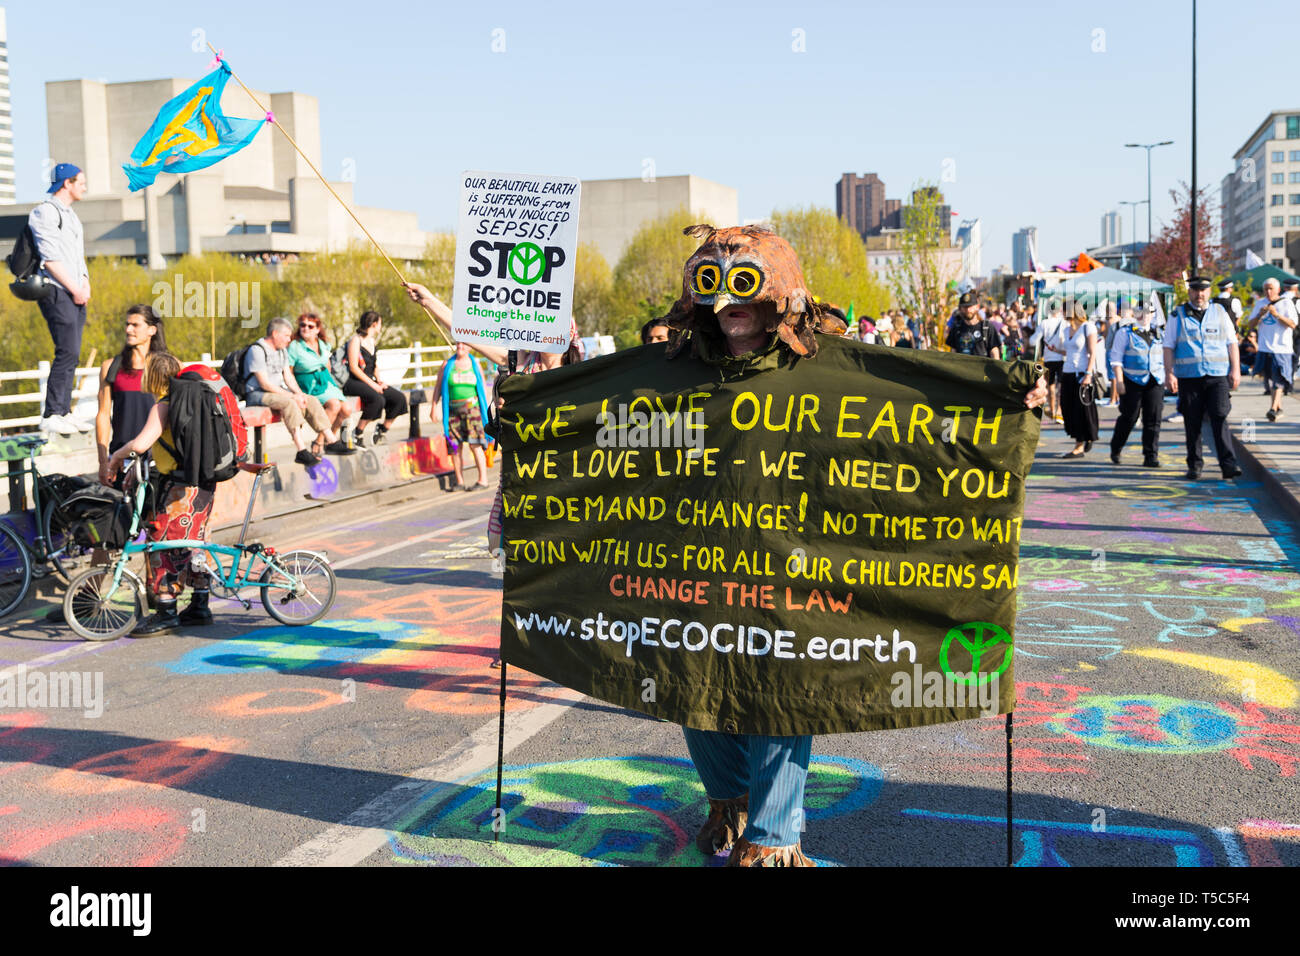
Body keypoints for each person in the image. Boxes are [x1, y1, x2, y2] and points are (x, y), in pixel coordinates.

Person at [633, 224, 1047, 866]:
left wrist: (1004, 398)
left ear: (779, 291)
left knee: (779, 692)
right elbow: (595, 419)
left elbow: (911, 410)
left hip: (791, 565)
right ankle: (729, 798)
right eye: (710, 284)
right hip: (699, 566)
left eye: (742, 284)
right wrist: (528, 413)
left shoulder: (825, 368)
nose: (725, 303)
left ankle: (774, 838)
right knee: (697, 689)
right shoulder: (672, 371)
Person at [104, 352, 216, 635]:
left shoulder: (164, 405)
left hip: (178, 489)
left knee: (161, 545)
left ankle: (165, 610)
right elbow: (163, 444)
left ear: (151, 377)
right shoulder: (189, 402)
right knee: (194, 543)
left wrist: (116, 457)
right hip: (202, 486)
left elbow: (141, 444)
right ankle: (200, 605)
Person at [30, 163, 92, 436]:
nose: (84, 186)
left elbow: (77, 256)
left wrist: (85, 283)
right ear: (66, 183)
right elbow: (50, 258)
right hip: (56, 289)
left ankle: (65, 411)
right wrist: (73, 288)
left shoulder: (72, 216)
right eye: (81, 181)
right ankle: (53, 413)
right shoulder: (45, 212)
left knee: (74, 351)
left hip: (75, 292)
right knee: (66, 350)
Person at [1163, 276, 1242, 481]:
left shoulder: (1219, 312)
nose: (1200, 294)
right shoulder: (1177, 315)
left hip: (1217, 376)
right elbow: (1168, 346)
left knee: (1220, 417)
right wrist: (1169, 373)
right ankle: (1195, 465)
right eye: (1196, 290)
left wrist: (1236, 370)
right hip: (1190, 377)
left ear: (1209, 292)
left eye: (1204, 290)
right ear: (1189, 292)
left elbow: (1231, 342)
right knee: (1192, 422)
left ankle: (1229, 465)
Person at [244, 317, 350, 466]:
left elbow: (288, 376)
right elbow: (264, 383)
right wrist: (292, 396)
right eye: (286, 335)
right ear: (275, 334)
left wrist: (299, 394)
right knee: (290, 403)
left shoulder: (281, 351)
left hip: (276, 392)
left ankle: (331, 439)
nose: (289, 339)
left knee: (310, 399)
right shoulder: (257, 350)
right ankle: (301, 451)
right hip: (258, 394)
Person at [95, 305, 167, 486]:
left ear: (152, 330)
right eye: (127, 324)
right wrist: (104, 462)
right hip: (121, 460)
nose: (128, 330)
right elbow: (103, 414)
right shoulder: (110, 367)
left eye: (135, 325)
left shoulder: (168, 368)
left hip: (159, 461)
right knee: (124, 514)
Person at [286, 313, 356, 457]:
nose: (305, 328)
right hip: (308, 383)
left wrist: (328, 379)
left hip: (325, 381)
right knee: (334, 405)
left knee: (347, 409)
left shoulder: (322, 344)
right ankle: (323, 443)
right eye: (302, 325)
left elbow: (327, 364)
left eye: (310, 326)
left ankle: (323, 441)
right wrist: (296, 391)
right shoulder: (295, 346)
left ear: (317, 329)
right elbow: (289, 371)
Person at [1108, 299, 1165, 467]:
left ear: (1153, 314)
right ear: (1134, 313)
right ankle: (1116, 447)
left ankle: (1150, 456)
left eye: (1148, 313)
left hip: (1155, 380)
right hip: (1132, 380)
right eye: (1140, 312)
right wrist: (1119, 381)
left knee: (1153, 418)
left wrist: (1170, 375)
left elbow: (1167, 354)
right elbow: (1116, 358)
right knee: (1129, 417)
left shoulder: (1160, 333)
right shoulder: (1125, 333)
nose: (1144, 316)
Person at [343, 311, 409, 446]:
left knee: (399, 398)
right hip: (354, 381)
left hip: (370, 380)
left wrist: (379, 381)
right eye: (380, 323)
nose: (381, 326)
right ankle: (358, 433)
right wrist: (374, 386)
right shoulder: (356, 340)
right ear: (374, 324)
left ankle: (382, 430)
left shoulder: (372, 341)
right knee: (378, 399)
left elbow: (374, 365)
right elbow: (354, 368)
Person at [433, 342, 491, 491]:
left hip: (472, 409)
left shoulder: (475, 364)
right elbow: (438, 387)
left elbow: (483, 389)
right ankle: (459, 481)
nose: (460, 346)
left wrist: (489, 410)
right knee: (454, 446)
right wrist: (434, 407)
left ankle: (483, 479)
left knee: (475, 444)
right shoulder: (447, 365)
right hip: (452, 410)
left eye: (464, 344)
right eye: (458, 343)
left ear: (470, 347)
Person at [1246, 277, 1298, 421]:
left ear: (1278, 290)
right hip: (1264, 348)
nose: (1268, 292)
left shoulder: (1286, 303)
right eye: (1266, 289)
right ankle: (1278, 408)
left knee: (1279, 380)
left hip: (1282, 348)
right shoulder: (1260, 303)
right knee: (1270, 380)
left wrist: (1277, 315)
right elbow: (1250, 324)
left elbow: (1293, 324)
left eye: (1271, 289)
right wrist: (1259, 315)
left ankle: (1272, 408)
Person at [1058, 301, 1099, 458]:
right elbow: (1070, 351)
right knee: (1067, 408)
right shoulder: (1067, 328)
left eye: (1064, 309)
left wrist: (1088, 374)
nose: (1062, 312)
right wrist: (1057, 350)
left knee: (1080, 410)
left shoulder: (1088, 327)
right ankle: (1083, 437)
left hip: (1081, 373)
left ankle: (1079, 444)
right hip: (1067, 372)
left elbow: (1092, 352)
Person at [1029, 301, 1067, 423]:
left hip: (1049, 357)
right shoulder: (1064, 322)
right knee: (1061, 385)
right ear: (1059, 310)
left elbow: (1033, 341)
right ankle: (1060, 411)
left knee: (1050, 384)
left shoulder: (1044, 323)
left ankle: (1052, 409)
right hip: (1062, 357)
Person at [946, 291, 1003, 359]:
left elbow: (994, 351)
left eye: (970, 306)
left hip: (981, 369)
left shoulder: (987, 327)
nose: (968, 310)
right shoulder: (956, 327)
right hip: (961, 368)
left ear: (977, 307)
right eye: (964, 307)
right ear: (960, 309)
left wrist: (995, 368)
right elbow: (953, 351)